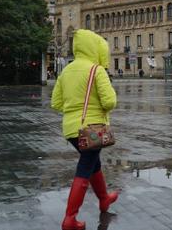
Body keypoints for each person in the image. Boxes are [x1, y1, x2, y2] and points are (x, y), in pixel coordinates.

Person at [51, 29, 119, 230]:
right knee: (85, 167)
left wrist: (73, 112)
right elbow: (110, 101)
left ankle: (104, 199)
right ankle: (70, 218)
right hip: (92, 130)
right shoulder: (96, 70)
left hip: (71, 130)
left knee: (93, 164)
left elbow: (56, 103)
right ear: (97, 48)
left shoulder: (66, 71)